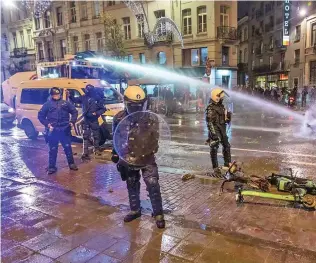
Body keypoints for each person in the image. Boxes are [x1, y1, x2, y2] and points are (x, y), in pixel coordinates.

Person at [111, 85, 165, 229]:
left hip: (147, 157)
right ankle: (135, 210)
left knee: (153, 184)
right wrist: (115, 154)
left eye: (140, 105)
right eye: (134, 106)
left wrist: (150, 149)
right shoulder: (119, 118)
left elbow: (155, 138)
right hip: (128, 157)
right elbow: (116, 137)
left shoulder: (151, 118)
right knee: (132, 183)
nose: (137, 109)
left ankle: (158, 212)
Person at [38, 87, 78, 175]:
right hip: (53, 131)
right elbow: (40, 116)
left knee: (67, 147)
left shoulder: (65, 103)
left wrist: (72, 122)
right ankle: (52, 167)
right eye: (54, 95)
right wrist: (47, 124)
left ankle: (71, 164)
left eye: (58, 95)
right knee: (53, 149)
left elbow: (74, 111)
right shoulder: (47, 104)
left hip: (64, 129)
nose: (56, 96)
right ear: (51, 95)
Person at [69, 84, 106, 160]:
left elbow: (103, 109)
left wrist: (96, 113)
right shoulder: (83, 97)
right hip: (86, 120)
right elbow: (75, 100)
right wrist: (70, 95)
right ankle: (85, 152)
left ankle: (96, 149)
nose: (88, 92)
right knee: (85, 136)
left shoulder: (97, 98)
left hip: (94, 120)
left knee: (96, 136)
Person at [205, 88, 232, 176]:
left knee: (227, 146)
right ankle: (215, 168)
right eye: (221, 97)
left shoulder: (221, 106)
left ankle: (228, 164)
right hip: (215, 130)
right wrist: (214, 134)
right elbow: (209, 123)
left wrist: (227, 118)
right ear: (216, 97)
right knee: (214, 147)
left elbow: (224, 120)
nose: (222, 99)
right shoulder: (210, 108)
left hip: (222, 129)